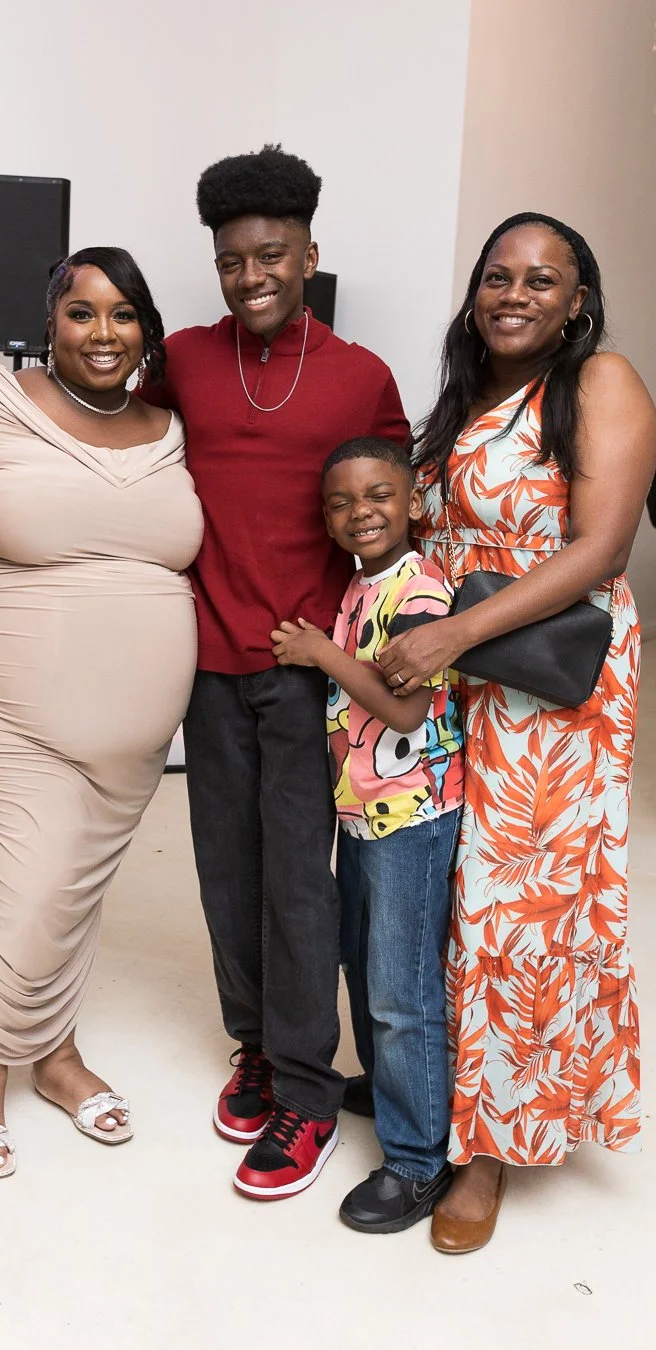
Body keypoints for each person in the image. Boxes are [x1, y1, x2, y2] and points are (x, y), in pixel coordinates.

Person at [378, 212, 656, 1253]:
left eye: (543, 280)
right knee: (446, 893)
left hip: (549, 688)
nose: (515, 295)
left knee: (517, 914)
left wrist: (453, 633)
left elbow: (600, 549)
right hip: (458, 680)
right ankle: (435, 1083)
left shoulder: (602, 382)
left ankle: (492, 1147)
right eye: (498, 276)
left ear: (578, 302)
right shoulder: (469, 397)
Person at [138, 144, 410, 1199]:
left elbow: (395, 515)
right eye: (231, 261)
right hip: (206, 661)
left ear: (308, 254)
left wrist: (385, 647)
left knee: (298, 882)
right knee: (226, 872)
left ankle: (306, 1090)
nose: (250, 277)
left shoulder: (359, 376)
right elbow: (105, 418)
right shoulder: (185, 360)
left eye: (270, 256)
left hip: (307, 669)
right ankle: (254, 1042)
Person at [0, 248, 202, 1177]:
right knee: (24, 890)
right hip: (5, 710)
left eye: (123, 314)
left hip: (134, 737)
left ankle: (55, 1057)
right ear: (48, 323)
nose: (103, 332)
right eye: (82, 312)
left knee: (70, 897)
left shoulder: (173, 428)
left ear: (146, 331)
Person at [270, 437, 463, 1230]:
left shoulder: (420, 588)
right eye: (342, 503)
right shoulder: (359, 585)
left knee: (400, 990)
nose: (361, 513)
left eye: (379, 495)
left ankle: (418, 1161)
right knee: (363, 963)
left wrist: (319, 652)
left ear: (414, 502)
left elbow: (406, 710)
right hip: (363, 815)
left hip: (412, 817)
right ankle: (394, 1091)